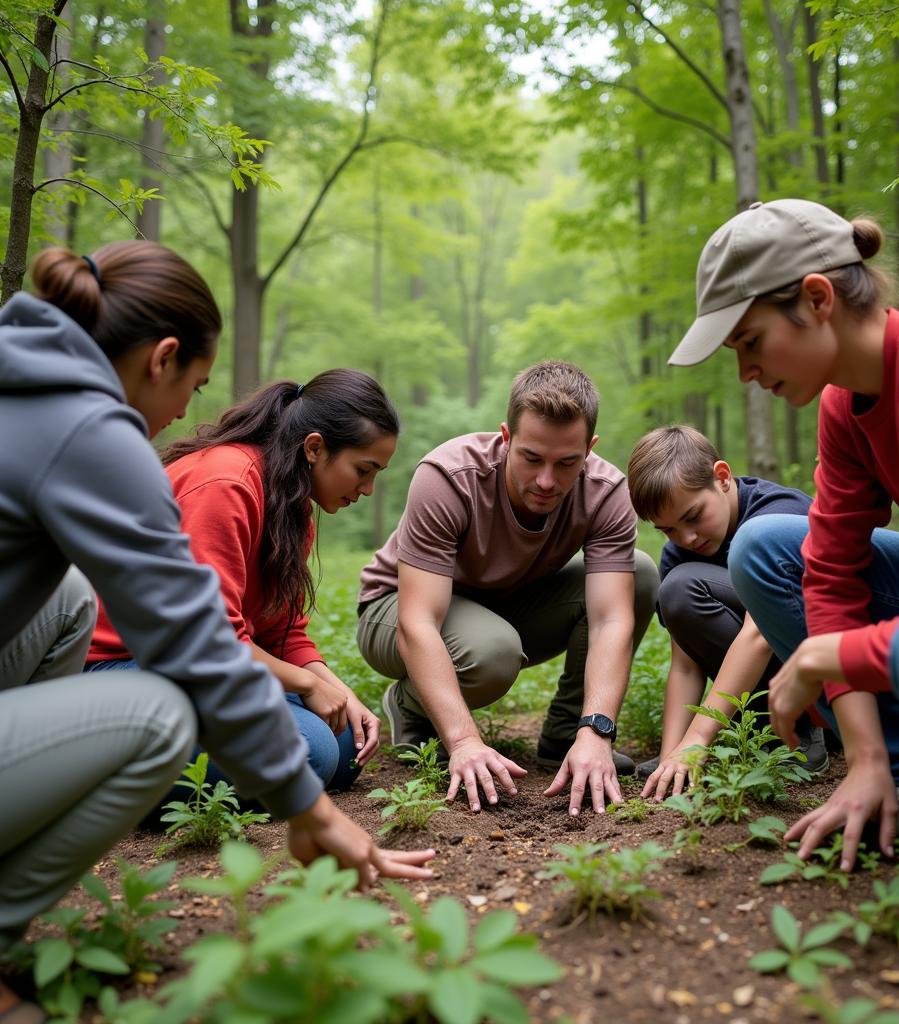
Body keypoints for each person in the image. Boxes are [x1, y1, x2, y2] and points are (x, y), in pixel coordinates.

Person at [0, 243, 432, 1022]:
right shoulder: (156, 455)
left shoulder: (29, 388)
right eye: (192, 385)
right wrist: (313, 810)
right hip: (124, 668)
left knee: (68, 596)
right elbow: (198, 643)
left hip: (111, 661)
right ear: (162, 358)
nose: (178, 416)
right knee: (214, 729)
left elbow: (282, 632)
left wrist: (323, 677)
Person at [668, 197, 899, 972]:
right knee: (766, 547)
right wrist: (864, 756)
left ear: (819, 299)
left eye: (752, 341)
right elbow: (828, 576)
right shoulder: (846, 402)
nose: (747, 371)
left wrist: (830, 660)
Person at [357, 361, 660, 816]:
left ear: (589, 448)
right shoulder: (448, 477)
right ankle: (410, 705)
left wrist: (597, 731)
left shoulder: (605, 491)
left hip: (507, 605)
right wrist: (462, 740)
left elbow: (611, 618)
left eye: (567, 463)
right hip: (395, 608)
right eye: (532, 458)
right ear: (506, 438)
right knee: (491, 653)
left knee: (639, 575)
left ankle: (566, 738)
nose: (546, 480)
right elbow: (418, 621)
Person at [87, 369, 394, 796]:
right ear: (315, 447)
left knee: (344, 743)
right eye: (364, 469)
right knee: (309, 749)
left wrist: (342, 693)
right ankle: (94, 770)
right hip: (123, 668)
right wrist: (307, 685)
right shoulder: (226, 484)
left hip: (198, 670)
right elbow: (206, 639)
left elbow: (280, 633)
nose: (367, 489)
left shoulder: (290, 506)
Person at [625, 425, 825, 800]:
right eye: (668, 529)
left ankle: (801, 726)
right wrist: (674, 753)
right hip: (764, 681)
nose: (685, 538)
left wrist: (699, 738)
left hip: (831, 676)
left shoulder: (780, 517)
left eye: (693, 516)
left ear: (722, 478)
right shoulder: (682, 554)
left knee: (685, 585)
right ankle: (763, 725)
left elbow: (760, 633)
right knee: (679, 589)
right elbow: (686, 665)